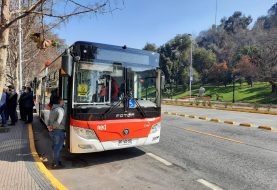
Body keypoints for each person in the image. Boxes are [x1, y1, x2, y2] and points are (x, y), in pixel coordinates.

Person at [47, 97, 65, 169]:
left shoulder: (53, 109)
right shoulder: (60, 110)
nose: (63, 102)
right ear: (60, 101)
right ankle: (56, 163)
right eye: (62, 100)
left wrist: (49, 127)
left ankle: (56, 161)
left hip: (53, 132)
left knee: (54, 147)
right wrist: (53, 127)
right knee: (57, 148)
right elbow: (58, 122)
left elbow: (49, 120)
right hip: (59, 131)